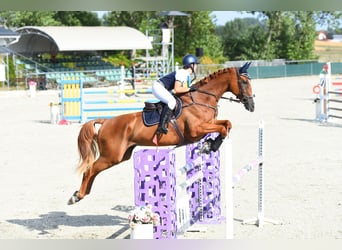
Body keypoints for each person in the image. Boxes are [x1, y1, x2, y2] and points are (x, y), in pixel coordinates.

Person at [152, 54, 199, 134]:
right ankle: (161, 127)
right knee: (172, 102)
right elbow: (177, 89)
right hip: (158, 87)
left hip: (163, 88)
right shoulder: (182, 73)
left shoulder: (186, 75)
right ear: (191, 65)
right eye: (196, 65)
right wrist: (189, 89)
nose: (196, 67)